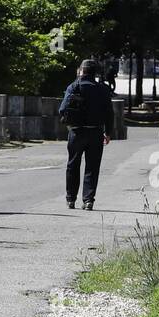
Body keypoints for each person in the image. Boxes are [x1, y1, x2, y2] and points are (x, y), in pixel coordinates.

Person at [58, 59, 113, 210]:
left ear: (81, 71)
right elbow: (109, 113)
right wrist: (108, 132)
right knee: (92, 167)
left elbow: (62, 109)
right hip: (96, 132)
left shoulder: (74, 87)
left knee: (73, 165)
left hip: (76, 131)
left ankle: (71, 199)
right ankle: (88, 200)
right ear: (94, 73)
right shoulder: (102, 89)